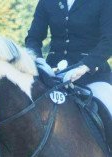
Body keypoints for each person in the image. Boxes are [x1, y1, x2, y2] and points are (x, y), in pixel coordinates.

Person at [25, 0, 112, 148]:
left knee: (109, 108)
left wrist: (85, 66)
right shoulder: (47, 2)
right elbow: (33, 38)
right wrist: (39, 62)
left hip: (92, 75)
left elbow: (108, 40)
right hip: (52, 76)